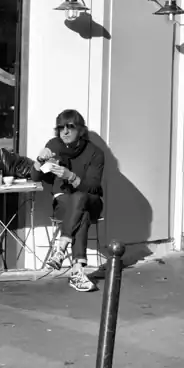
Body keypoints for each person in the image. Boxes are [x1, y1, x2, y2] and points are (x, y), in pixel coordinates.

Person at [31, 109, 105, 292]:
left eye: (70, 127)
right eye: (61, 128)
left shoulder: (95, 153)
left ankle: (61, 247)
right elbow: (35, 176)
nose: (65, 131)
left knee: (80, 198)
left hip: (92, 201)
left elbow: (93, 187)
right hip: (64, 202)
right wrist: (39, 159)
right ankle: (77, 271)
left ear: (80, 130)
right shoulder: (53, 145)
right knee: (81, 213)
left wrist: (71, 177)